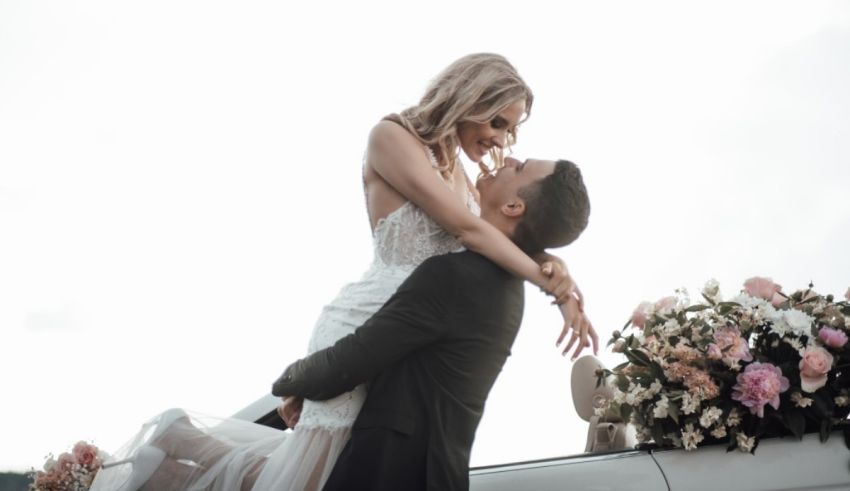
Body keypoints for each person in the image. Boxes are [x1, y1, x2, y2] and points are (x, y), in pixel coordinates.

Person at [90, 53, 594, 491]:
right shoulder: (392, 138)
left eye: (510, 129)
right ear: (471, 99)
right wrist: (551, 287)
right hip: (361, 322)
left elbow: (502, 232)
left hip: (402, 338)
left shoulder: (462, 175)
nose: (502, 139)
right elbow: (469, 230)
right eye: (498, 122)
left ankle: (175, 448)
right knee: (304, 481)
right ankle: (174, 442)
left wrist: (558, 269)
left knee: (309, 475)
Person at [274, 157, 592, 491]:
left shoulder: (455, 276)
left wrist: (287, 382)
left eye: (520, 167)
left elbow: (349, 361)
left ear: (513, 207)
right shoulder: (509, 288)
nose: (509, 158)